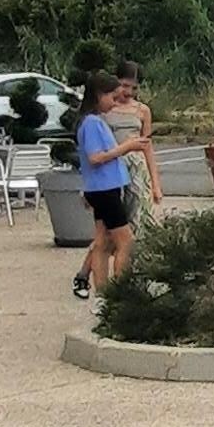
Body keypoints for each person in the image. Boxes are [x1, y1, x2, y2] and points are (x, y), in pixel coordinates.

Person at [73, 58, 162, 300]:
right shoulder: (94, 122)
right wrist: (126, 147)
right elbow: (95, 157)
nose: (117, 100)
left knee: (103, 240)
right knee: (125, 240)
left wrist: (154, 183)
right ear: (100, 95)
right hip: (105, 187)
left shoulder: (99, 119)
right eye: (113, 96)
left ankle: (103, 293)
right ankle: (119, 292)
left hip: (112, 184)